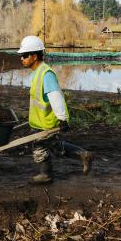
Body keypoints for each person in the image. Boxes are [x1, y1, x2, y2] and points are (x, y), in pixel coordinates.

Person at [18, 35, 93, 184]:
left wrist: (62, 118)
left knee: (39, 146)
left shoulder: (46, 74)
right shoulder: (37, 73)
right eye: (21, 55)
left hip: (47, 122)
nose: (22, 58)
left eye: (24, 55)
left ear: (34, 56)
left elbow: (56, 96)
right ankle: (83, 155)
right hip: (40, 121)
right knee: (54, 146)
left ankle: (46, 174)